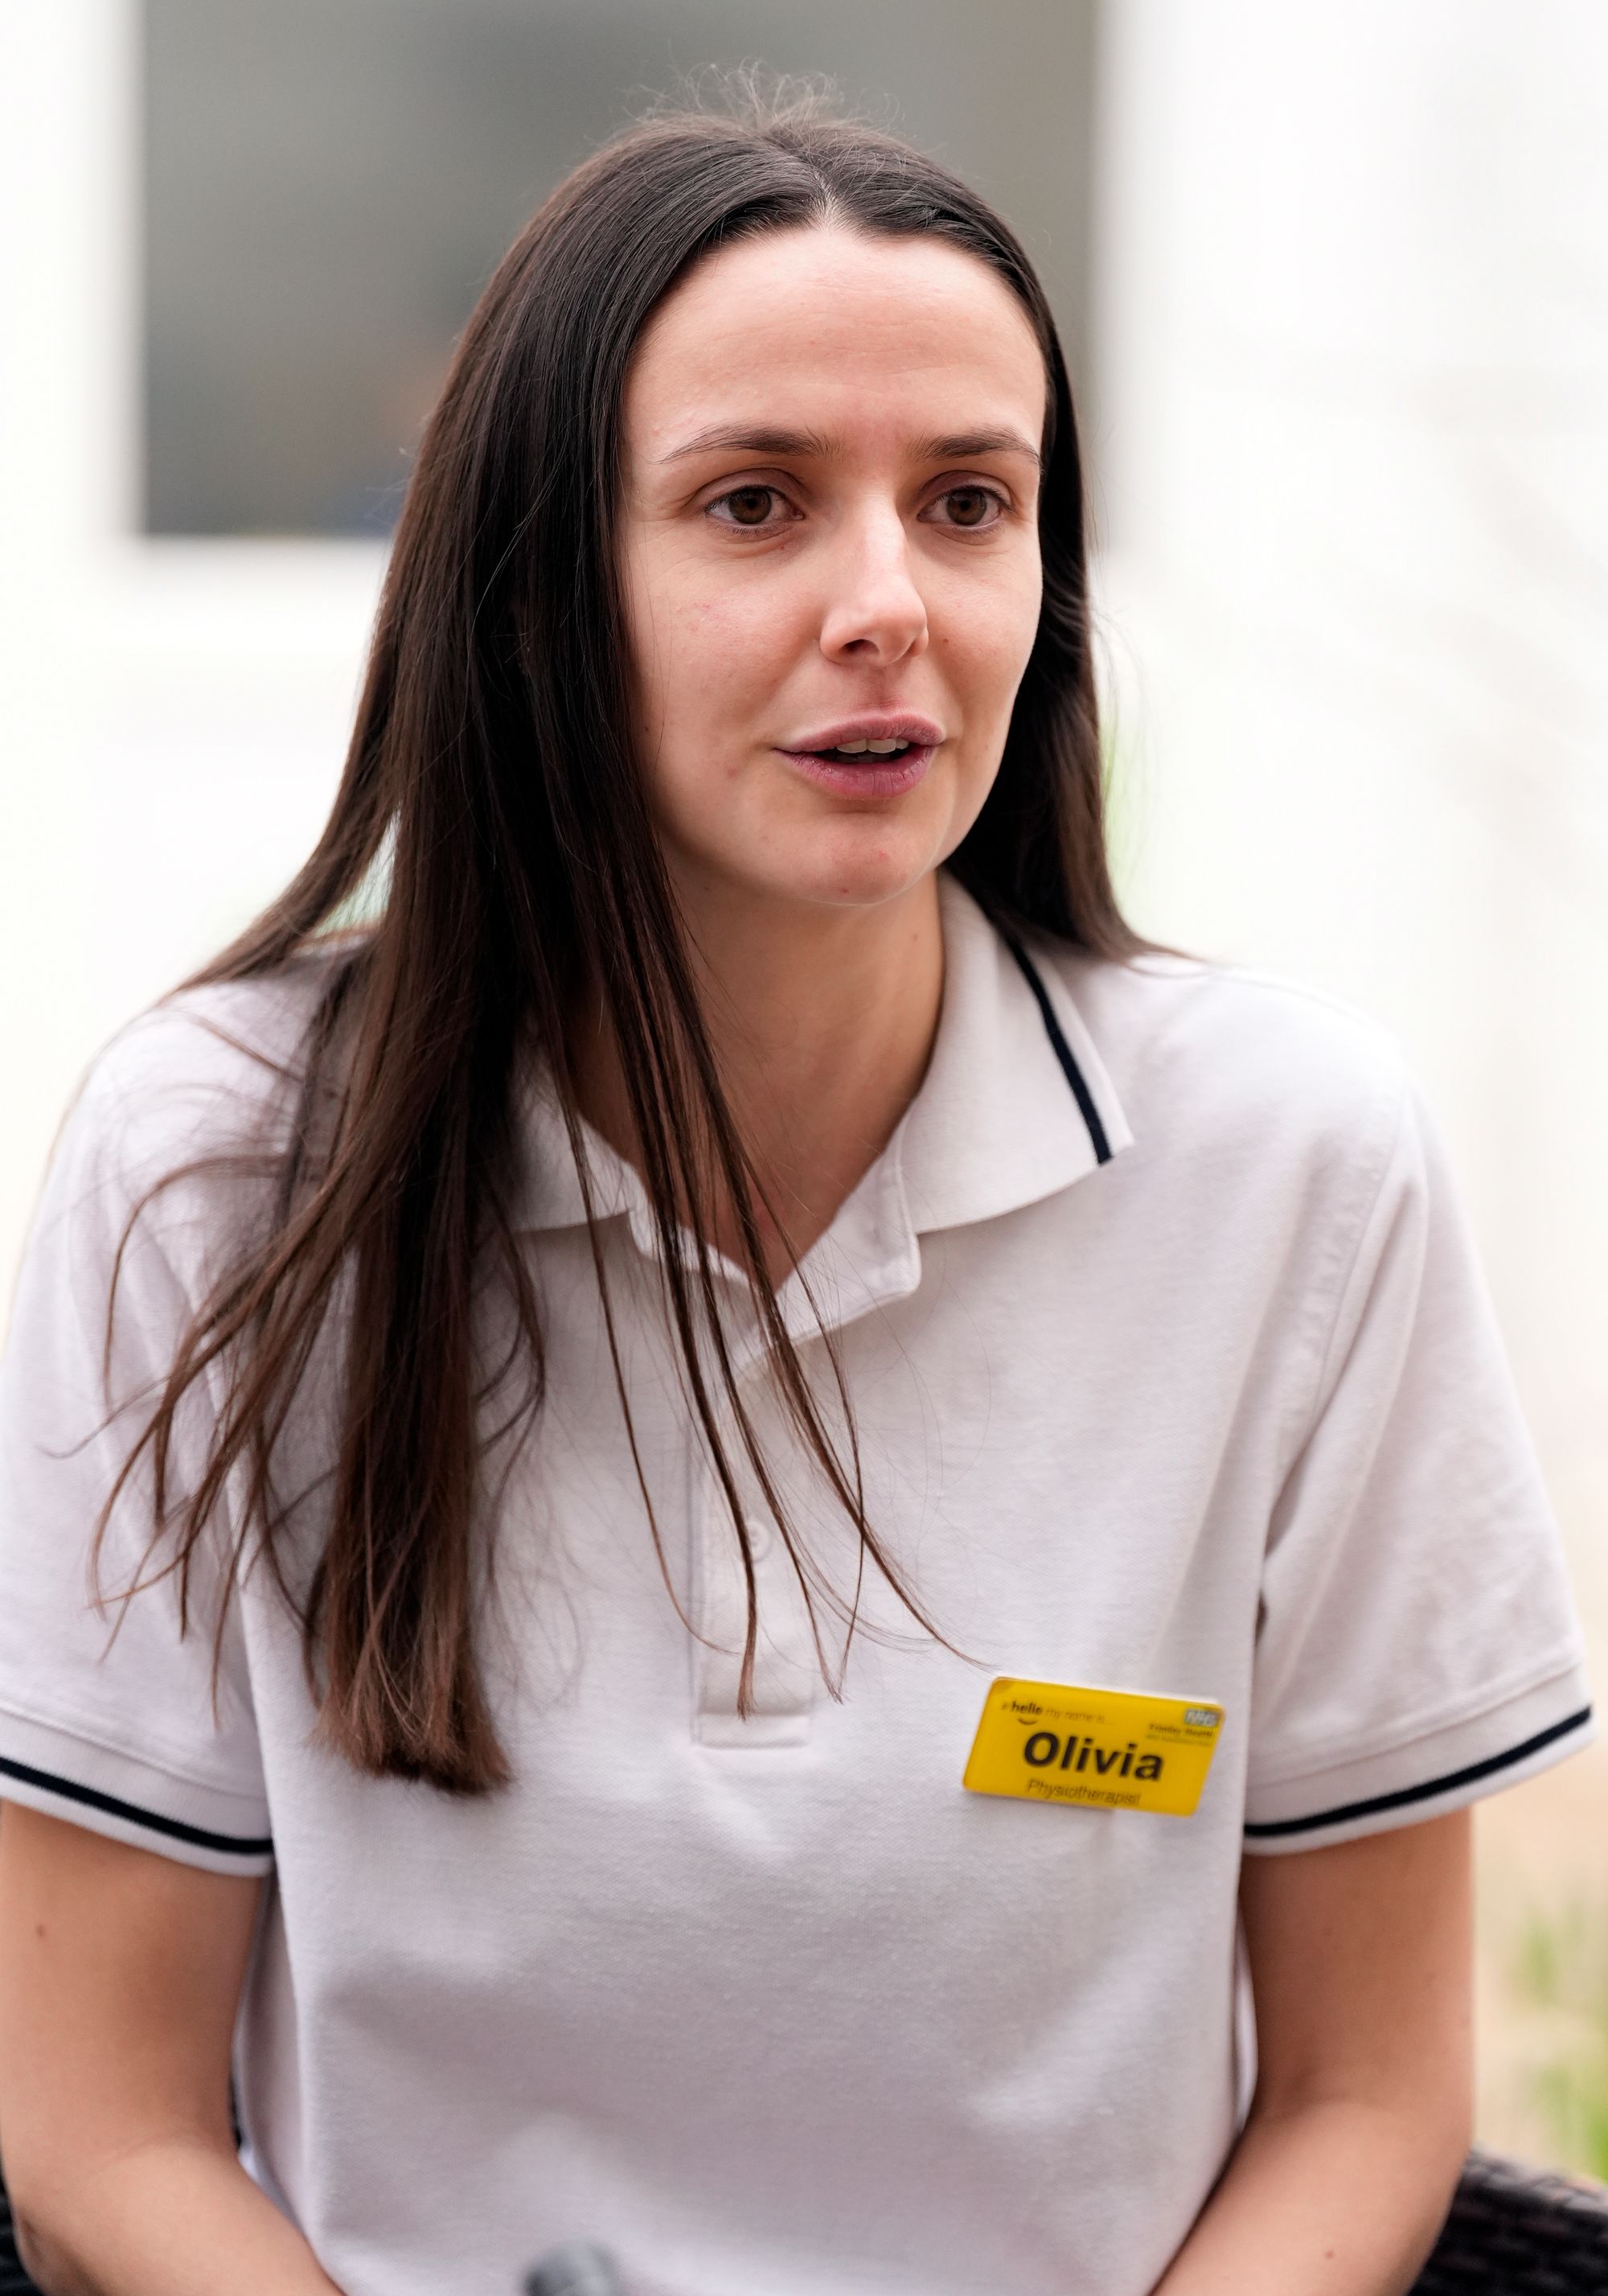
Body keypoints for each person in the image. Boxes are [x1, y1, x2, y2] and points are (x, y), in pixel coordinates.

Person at [0, 84, 1593, 2296]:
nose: (887, 605)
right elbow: (101, 2129)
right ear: (545, 591)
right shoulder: (214, 1168)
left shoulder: (1295, 1166)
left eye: (970, 503)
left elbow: (1365, 2098)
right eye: (755, 504)